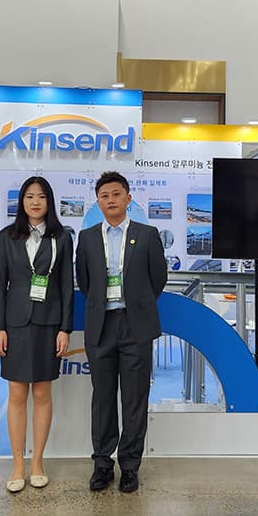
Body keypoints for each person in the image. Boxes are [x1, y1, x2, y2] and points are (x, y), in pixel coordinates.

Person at [75, 171, 167, 493]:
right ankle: (102, 464)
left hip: (135, 326)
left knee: (134, 399)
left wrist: (137, 304)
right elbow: (85, 282)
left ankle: (130, 466)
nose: (111, 200)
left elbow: (158, 278)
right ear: (97, 202)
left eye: (116, 194)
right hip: (101, 326)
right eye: (104, 196)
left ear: (128, 199)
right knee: (102, 399)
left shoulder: (147, 234)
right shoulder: (87, 238)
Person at [0, 176, 74, 493]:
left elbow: (66, 286)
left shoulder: (62, 237)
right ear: (21, 202)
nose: (35, 202)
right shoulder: (7, 236)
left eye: (41, 196)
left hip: (48, 324)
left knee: (42, 394)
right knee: (16, 395)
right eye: (29, 196)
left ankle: (37, 461)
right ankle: (17, 464)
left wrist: (64, 328)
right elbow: (0, 284)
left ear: (49, 201)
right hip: (14, 325)